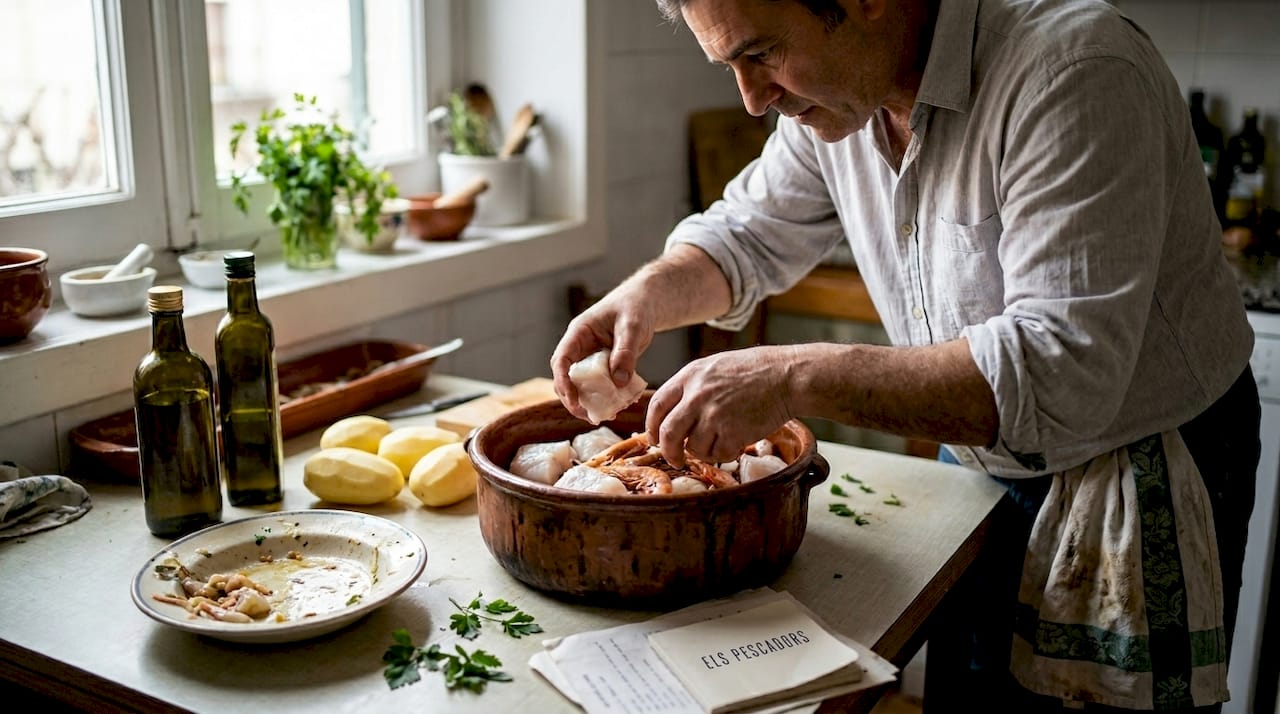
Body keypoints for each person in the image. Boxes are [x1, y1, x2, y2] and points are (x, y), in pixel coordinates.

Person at [551, 0, 1260, 711]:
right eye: (731, 65)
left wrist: (789, 375)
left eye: (761, 54)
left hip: (1136, 469)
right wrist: (643, 296)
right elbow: (746, 234)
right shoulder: (835, 100)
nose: (752, 99)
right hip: (982, 453)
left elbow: (1060, 369)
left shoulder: (1074, 70)